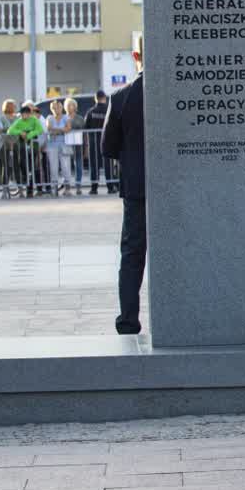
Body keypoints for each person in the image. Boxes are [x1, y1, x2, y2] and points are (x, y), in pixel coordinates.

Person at [103, 53, 146, 333]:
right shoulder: (179, 92)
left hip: (137, 188)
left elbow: (107, 147)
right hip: (176, 188)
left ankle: (128, 320)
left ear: (137, 57)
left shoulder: (121, 97)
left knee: (132, 255)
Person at [45, 99, 74, 194]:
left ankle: (67, 188)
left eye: (58, 107)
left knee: (66, 167)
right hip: (52, 146)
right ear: (51, 109)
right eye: (54, 108)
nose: (56, 109)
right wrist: (62, 130)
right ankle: (54, 188)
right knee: (53, 167)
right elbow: (49, 129)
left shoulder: (66, 117)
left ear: (61, 108)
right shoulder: (49, 118)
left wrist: (56, 131)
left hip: (64, 145)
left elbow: (68, 128)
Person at [84, 90, 111, 194]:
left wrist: (86, 145)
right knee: (108, 164)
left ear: (95, 99)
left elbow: (86, 128)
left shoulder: (90, 112)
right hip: (107, 141)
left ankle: (94, 188)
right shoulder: (109, 110)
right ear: (104, 98)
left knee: (94, 165)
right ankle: (110, 187)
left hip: (94, 143)